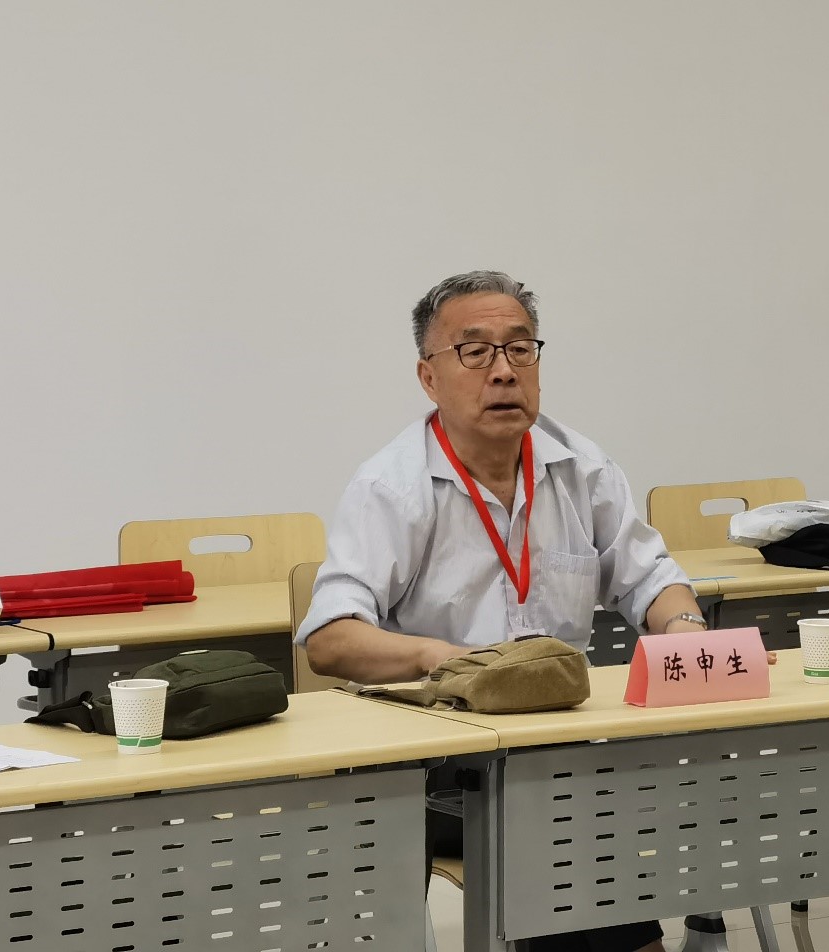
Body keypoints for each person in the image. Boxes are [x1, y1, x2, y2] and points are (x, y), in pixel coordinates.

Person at [298, 270, 772, 952]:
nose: (503, 371)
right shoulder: (391, 487)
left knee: (649, 790)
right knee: (562, 821)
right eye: (475, 351)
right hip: (430, 763)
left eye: (520, 349)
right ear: (429, 377)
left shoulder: (582, 467)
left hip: (558, 751)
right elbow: (330, 639)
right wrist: (451, 661)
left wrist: (687, 637)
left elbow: (651, 580)